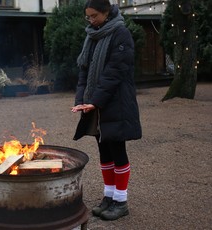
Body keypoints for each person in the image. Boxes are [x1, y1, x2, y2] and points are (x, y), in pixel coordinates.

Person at [71, 0, 142, 221]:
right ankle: (108, 197)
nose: (91, 20)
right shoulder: (92, 36)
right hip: (96, 105)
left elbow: (114, 73)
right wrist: (82, 100)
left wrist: (96, 101)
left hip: (116, 103)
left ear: (107, 12)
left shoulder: (121, 34)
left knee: (118, 152)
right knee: (104, 153)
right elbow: (84, 71)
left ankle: (121, 202)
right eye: (88, 17)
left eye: (94, 16)